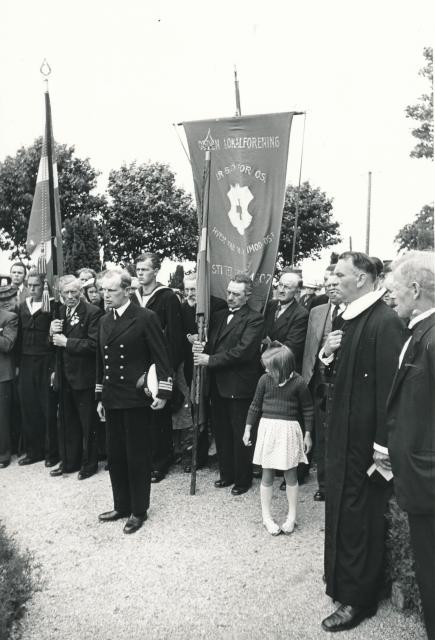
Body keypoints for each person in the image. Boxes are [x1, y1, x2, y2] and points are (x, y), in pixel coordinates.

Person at [319, 252, 405, 632]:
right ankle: (341, 583)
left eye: (340, 275)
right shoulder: (346, 315)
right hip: (342, 435)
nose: (333, 280)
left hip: (366, 444)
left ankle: (360, 599)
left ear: (364, 279)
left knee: (361, 516)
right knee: (342, 511)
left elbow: (392, 391)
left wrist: (383, 448)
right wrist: (327, 354)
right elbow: (336, 377)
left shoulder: (384, 323)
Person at [96, 269, 173, 534]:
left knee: (137, 456)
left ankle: (138, 510)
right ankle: (121, 505)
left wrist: (163, 392)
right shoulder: (105, 320)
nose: (106, 296)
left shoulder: (145, 318)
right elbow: (100, 361)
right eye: (104, 290)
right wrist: (100, 396)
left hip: (136, 398)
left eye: (112, 290)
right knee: (115, 456)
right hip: (113, 396)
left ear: (127, 290)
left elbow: (162, 358)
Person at [386, 251, 435, 640]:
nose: (391, 299)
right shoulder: (419, 332)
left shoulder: (432, 337)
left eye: (395, 291)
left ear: (416, 289)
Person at [194, 273, 264, 495]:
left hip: (239, 385)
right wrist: (201, 347)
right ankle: (227, 474)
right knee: (222, 432)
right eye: (229, 292)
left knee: (240, 433)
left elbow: (243, 352)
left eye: (236, 294)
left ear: (247, 296)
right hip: (217, 384)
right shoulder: (219, 315)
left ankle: (242, 480)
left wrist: (210, 360)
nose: (230, 297)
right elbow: (214, 345)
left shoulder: (255, 319)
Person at [243, 343, 313, 535]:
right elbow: (255, 405)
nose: (266, 370)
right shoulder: (264, 380)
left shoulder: (299, 383)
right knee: (267, 474)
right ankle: (266, 516)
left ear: (282, 368)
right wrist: (248, 429)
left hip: (288, 431)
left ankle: (292, 517)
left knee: (290, 474)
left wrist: (308, 434)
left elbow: (307, 409)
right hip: (268, 429)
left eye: (269, 367)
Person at [131, 252, 184, 482]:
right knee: (139, 415)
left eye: (145, 269)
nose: (140, 273)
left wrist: (166, 369)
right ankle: (144, 459)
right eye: (138, 269)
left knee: (158, 414)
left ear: (155, 271)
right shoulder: (132, 298)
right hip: (136, 363)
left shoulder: (167, 297)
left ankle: (161, 460)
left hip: (158, 364)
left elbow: (174, 337)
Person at [49, 275, 103, 480]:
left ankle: (89, 464)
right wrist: (51, 333)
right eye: (66, 293)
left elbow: (93, 345)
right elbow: (53, 344)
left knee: (87, 423)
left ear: (81, 292)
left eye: (74, 292)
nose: (70, 296)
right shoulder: (60, 312)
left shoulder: (92, 312)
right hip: (65, 377)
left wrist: (67, 342)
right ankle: (69, 462)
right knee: (67, 421)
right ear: (60, 294)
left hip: (84, 376)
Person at [302, 272, 345, 501]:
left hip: (342, 382)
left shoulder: (353, 312)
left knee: (339, 434)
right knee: (319, 434)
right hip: (317, 381)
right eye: (327, 284)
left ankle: (340, 483)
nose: (331, 288)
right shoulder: (317, 312)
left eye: (335, 284)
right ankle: (324, 485)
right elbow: (310, 346)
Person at [16, 270, 59, 466]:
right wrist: (18, 365)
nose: (32, 288)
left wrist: (54, 368)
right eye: (29, 285)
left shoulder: (52, 307)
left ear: (43, 286)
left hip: (45, 361)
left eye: (36, 285)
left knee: (47, 406)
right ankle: (34, 451)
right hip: (26, 361)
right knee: (29, 406)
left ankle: (51, 453)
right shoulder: (22, 308)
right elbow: (19, 339)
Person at [263, 269, 308, 373]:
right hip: (260, 368)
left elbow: (291, 348)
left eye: (287, 287)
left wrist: (270, 344)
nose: (281, 290)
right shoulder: (269, 305)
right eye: (280, 285)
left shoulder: (301, 314)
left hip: (280, 370)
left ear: (297, 291)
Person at [0, 282, 18, 468]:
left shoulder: (10, 317)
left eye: (7, 299)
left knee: (2, 417)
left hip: (2, 374)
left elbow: (7, 344)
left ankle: (4, 455)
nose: (4, 302)